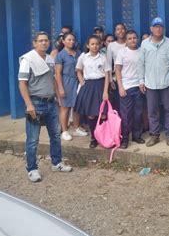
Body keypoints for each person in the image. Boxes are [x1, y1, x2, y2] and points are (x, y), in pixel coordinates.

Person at [18, 31, 72, 182]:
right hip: (35, 103)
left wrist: (57, 98)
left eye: (46, 40)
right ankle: (32, 169)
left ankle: (57, 162)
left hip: (51, 103)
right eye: (40, 41)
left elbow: (53, 79)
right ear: (34, 43)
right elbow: (22, 83)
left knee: (55, 135)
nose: (44, 43)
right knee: (33, 139)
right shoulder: (28, 59)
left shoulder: (50, 59)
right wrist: (29, 104)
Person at [138, 17, 169, 147]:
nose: (158, 29)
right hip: (150, 83)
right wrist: (141, 81)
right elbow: (141, 64)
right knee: (152, 110)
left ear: (163, 28)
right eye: (155, 26)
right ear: (151, 29)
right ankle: (155, 135)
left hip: (166, 82)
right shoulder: (144, 44)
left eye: (160, 26)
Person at [74, 35, 111, 148]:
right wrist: (82, 82)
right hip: (89, 86)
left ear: (100, 45)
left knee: (103, 114)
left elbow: (107, 76)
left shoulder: (103, 58)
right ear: (88, 45)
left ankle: (103, 136)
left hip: (100, 85)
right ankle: (93, 138)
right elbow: (78, 70)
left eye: (97, 44)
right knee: (91, 114)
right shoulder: (83, 57)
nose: (95, 46)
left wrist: (105, 92)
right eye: (92, 44)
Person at [115, 30, 145, 149]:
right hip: (126, 88)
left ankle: (137, 136)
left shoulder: (141, 52)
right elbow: (117, 70)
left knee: (138, 113)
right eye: (130, 38)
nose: (132, 40)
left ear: (137, 39)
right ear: (126, 41)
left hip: (139, 86)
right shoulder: (122, 52)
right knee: (126, 115)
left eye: (134, 38)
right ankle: (125, 138)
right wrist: (120, 87)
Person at [55, 33, 87, 141]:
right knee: (65, 107)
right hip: (66, 81)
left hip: (78, 81)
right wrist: (60, 88)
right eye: (69, 40)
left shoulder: (78, 53)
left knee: (77, 106)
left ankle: (76, 127)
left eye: (73, 40)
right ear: (63, 41)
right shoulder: (60, 55)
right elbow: (58, 73)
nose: (71, 42)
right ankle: (64, 131)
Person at [106, 23, 127, 112]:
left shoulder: (129, 42)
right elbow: (108, 64)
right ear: (115, 32)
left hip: (130, 77)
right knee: (119, 104)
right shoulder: (111, 46)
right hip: (117, 78)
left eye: (122, 29)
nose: (120, 31)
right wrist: (110, 80)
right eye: (118, 29)